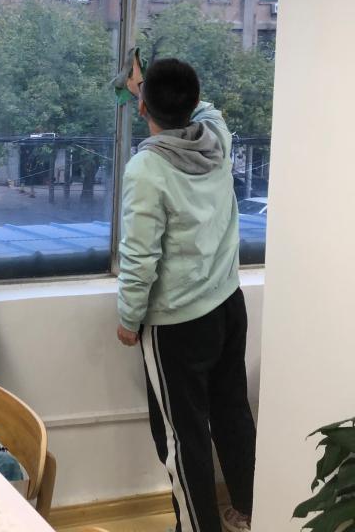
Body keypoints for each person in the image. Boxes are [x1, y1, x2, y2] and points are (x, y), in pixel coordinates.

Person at [116, 57, 256, 532]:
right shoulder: (216, 138)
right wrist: (152, 85)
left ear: (142, 107)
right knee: (232, 410)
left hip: (178, 325)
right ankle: (249, 511)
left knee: (182, 437)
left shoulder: (147, 168)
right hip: (228, 305)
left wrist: (129, 318)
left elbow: (139, 256)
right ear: (193, 102)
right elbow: (207, 108)